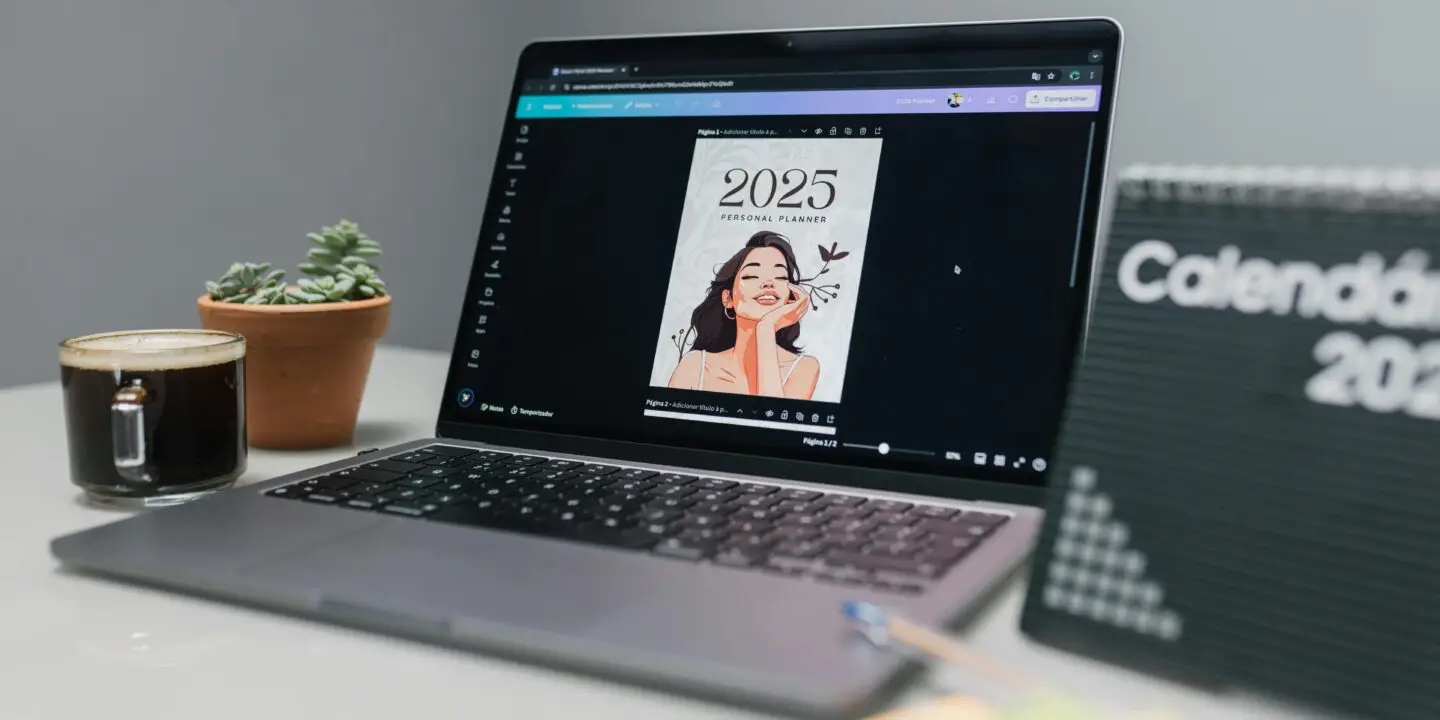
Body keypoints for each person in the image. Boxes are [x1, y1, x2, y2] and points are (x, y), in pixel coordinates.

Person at [668, 231, 820, 399]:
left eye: (780, 276)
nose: (769, 283)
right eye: (751, 276)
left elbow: (770, 419)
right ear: (728, 298)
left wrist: (766, 328)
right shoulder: (695, 365)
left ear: (791, 298)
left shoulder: (804, 368)